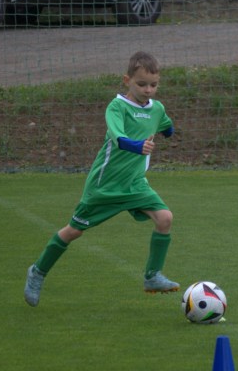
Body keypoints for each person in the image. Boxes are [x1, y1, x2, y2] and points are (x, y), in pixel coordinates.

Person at [24, 51, 180, 307]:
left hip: (135, 183)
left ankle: (152, 276)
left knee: (165, 218)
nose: (148, 90)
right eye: (142, 84)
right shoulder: (117, 107)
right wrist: (137, 146)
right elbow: (118, 137)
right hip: (105, 185)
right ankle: (38, 271)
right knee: (74, 231)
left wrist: (169, 130)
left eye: (153, 85)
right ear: (127, 80)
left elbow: (165, 124)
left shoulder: (157, 108)